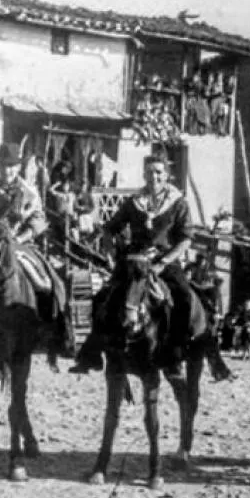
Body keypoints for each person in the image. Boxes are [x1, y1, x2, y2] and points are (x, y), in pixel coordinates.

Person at [70, 152, 220, 378]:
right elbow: (110, 229)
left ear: (166, 175)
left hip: (165, 261)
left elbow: (186, 238)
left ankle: (176, 353)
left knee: (183, 297)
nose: (154, 177)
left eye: (159, 172)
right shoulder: (134, 203)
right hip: (135, 261)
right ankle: (91, 353)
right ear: (144, 174)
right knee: (104, 296)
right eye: (150, 172)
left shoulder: (178, 203)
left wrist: (164, 262)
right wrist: (111, 254)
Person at [0, 142, 73, 363]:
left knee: (47, 282)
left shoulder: (29, 192)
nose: (6, 170)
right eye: (2, 166)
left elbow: (38, 221)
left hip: (20, 243)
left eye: (10, 166)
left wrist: (19, 239)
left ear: (17, 167)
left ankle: (54, 329)